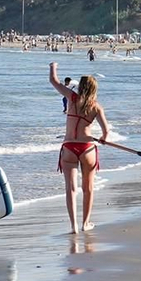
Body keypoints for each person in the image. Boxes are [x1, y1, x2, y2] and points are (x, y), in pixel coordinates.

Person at [48, 63, 110, 234]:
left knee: (71, 188)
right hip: (87, 147)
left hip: (69, 147)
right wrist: (103, 139)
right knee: (88, 188)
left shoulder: (72, 98)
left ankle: (74, 225)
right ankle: (86, 223)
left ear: (81, 87)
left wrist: (53, 66)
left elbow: (54, 81)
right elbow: (106, 131)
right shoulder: (96, 107)